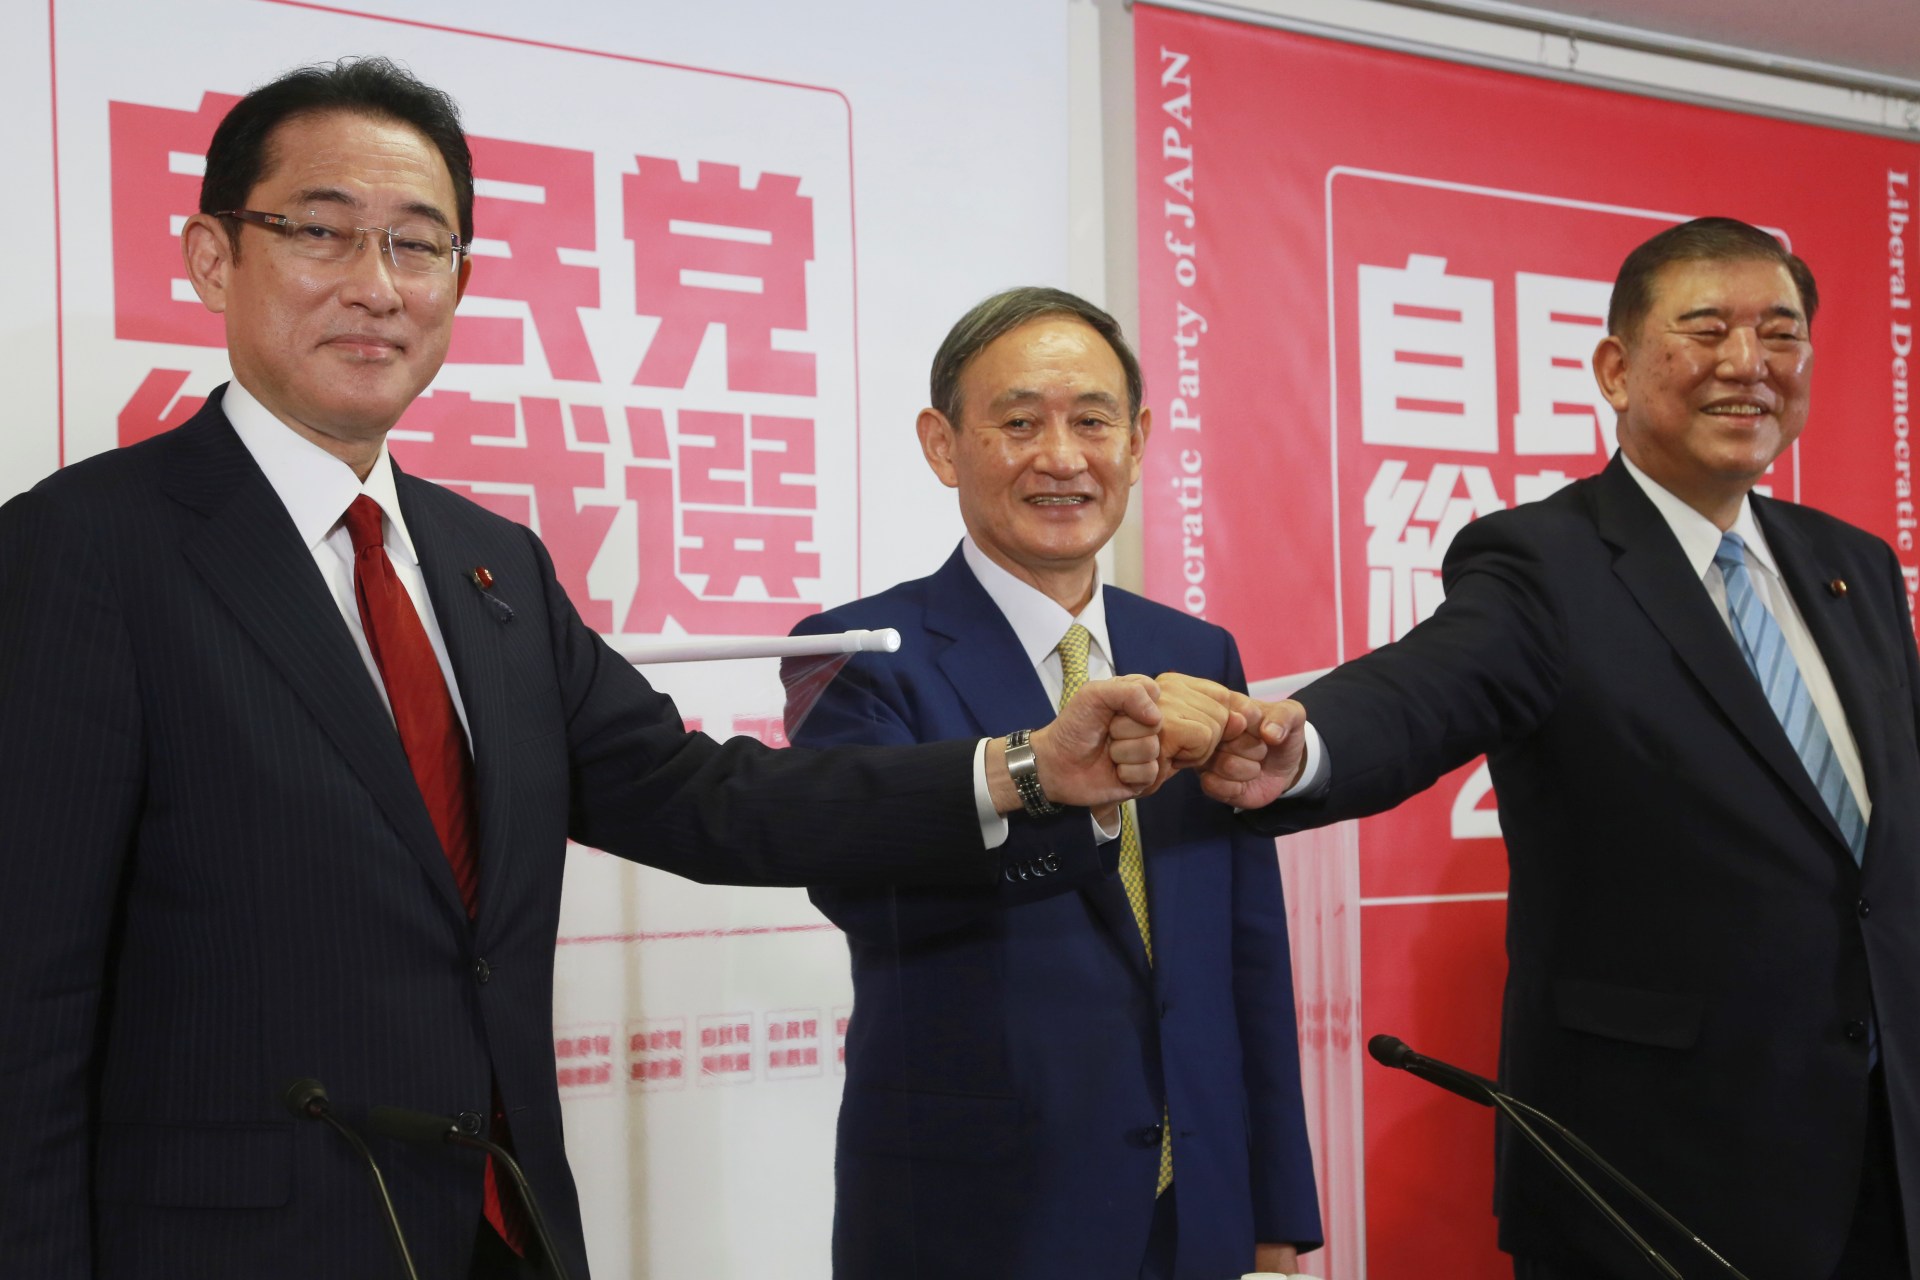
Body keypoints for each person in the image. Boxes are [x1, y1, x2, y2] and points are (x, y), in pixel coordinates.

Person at [0, 62, 1167, 1280]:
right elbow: (25, 997)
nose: (375, 286)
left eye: (418, 243)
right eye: (319, 231)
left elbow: (706, 799)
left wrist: (1028, 766)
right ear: (210, 258)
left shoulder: (486, 565)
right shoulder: (87, 550)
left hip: (499, 1227)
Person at [1188, 218, 1920, 1279]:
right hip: (1655, 1179)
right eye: (1707, 328)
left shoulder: (1857, 566)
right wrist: (1298, 748)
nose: (1748, 363)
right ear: (1616, 368)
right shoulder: (1548, 562)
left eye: (1781, 333)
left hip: (1882, 1161)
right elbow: (1422, 688)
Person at [783, 287, 1322, 1280]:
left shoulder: (1195, 650)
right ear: (944, 445)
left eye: (1092, 421)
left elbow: (1247, 946)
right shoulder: (864, 651)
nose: (1063, 457)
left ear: (1141, 438)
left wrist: (1277, 1203)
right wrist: (1063, 786)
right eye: (1020, 422)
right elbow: (866, 884)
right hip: (977, 1212)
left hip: (1195, 1207)